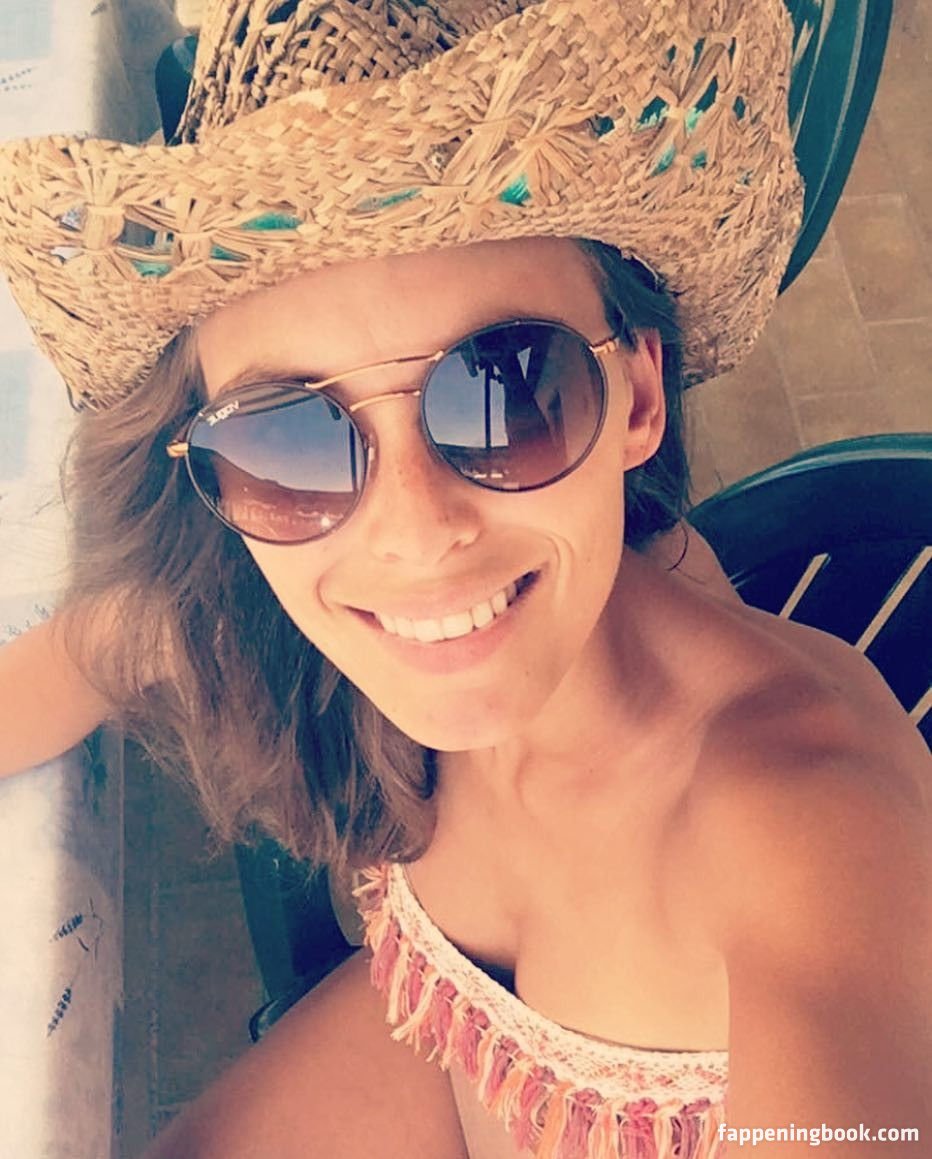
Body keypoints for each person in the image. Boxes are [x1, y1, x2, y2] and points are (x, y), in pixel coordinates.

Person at [0, 1, 929, 1157]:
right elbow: (91, 651)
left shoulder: (803, 830)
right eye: (287, 439)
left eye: (507, 391)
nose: (414, 531)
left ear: (637, 398)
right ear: (214, 480)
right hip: (463, 1053)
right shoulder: (264, 608)